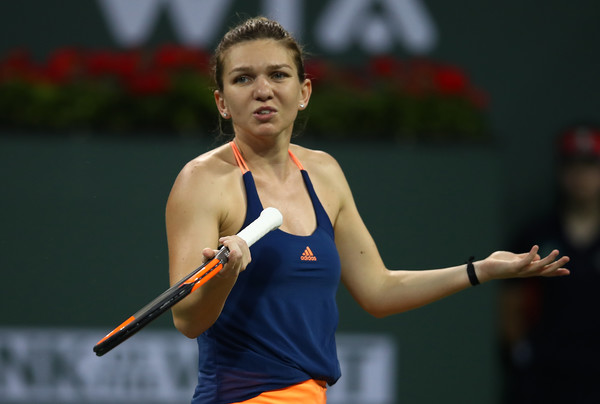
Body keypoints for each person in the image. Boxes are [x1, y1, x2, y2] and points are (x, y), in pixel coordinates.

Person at [165, 17, 570, 404]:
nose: (263, 90)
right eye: (243, 78)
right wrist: (225, 275)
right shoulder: (202, 182)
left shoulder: (324, 173)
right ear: (221, 101)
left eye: (278, 75)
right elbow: (187, 319)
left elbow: (379, 290)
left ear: (304, 92)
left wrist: (478, 270)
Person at [499, 124, 600, 404]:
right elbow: (511, 304)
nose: (581, 176)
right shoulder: (535, 234)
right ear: (560, 170)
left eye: (590, 165)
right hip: (543, 374)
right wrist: (522, 351)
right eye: (572, 165)